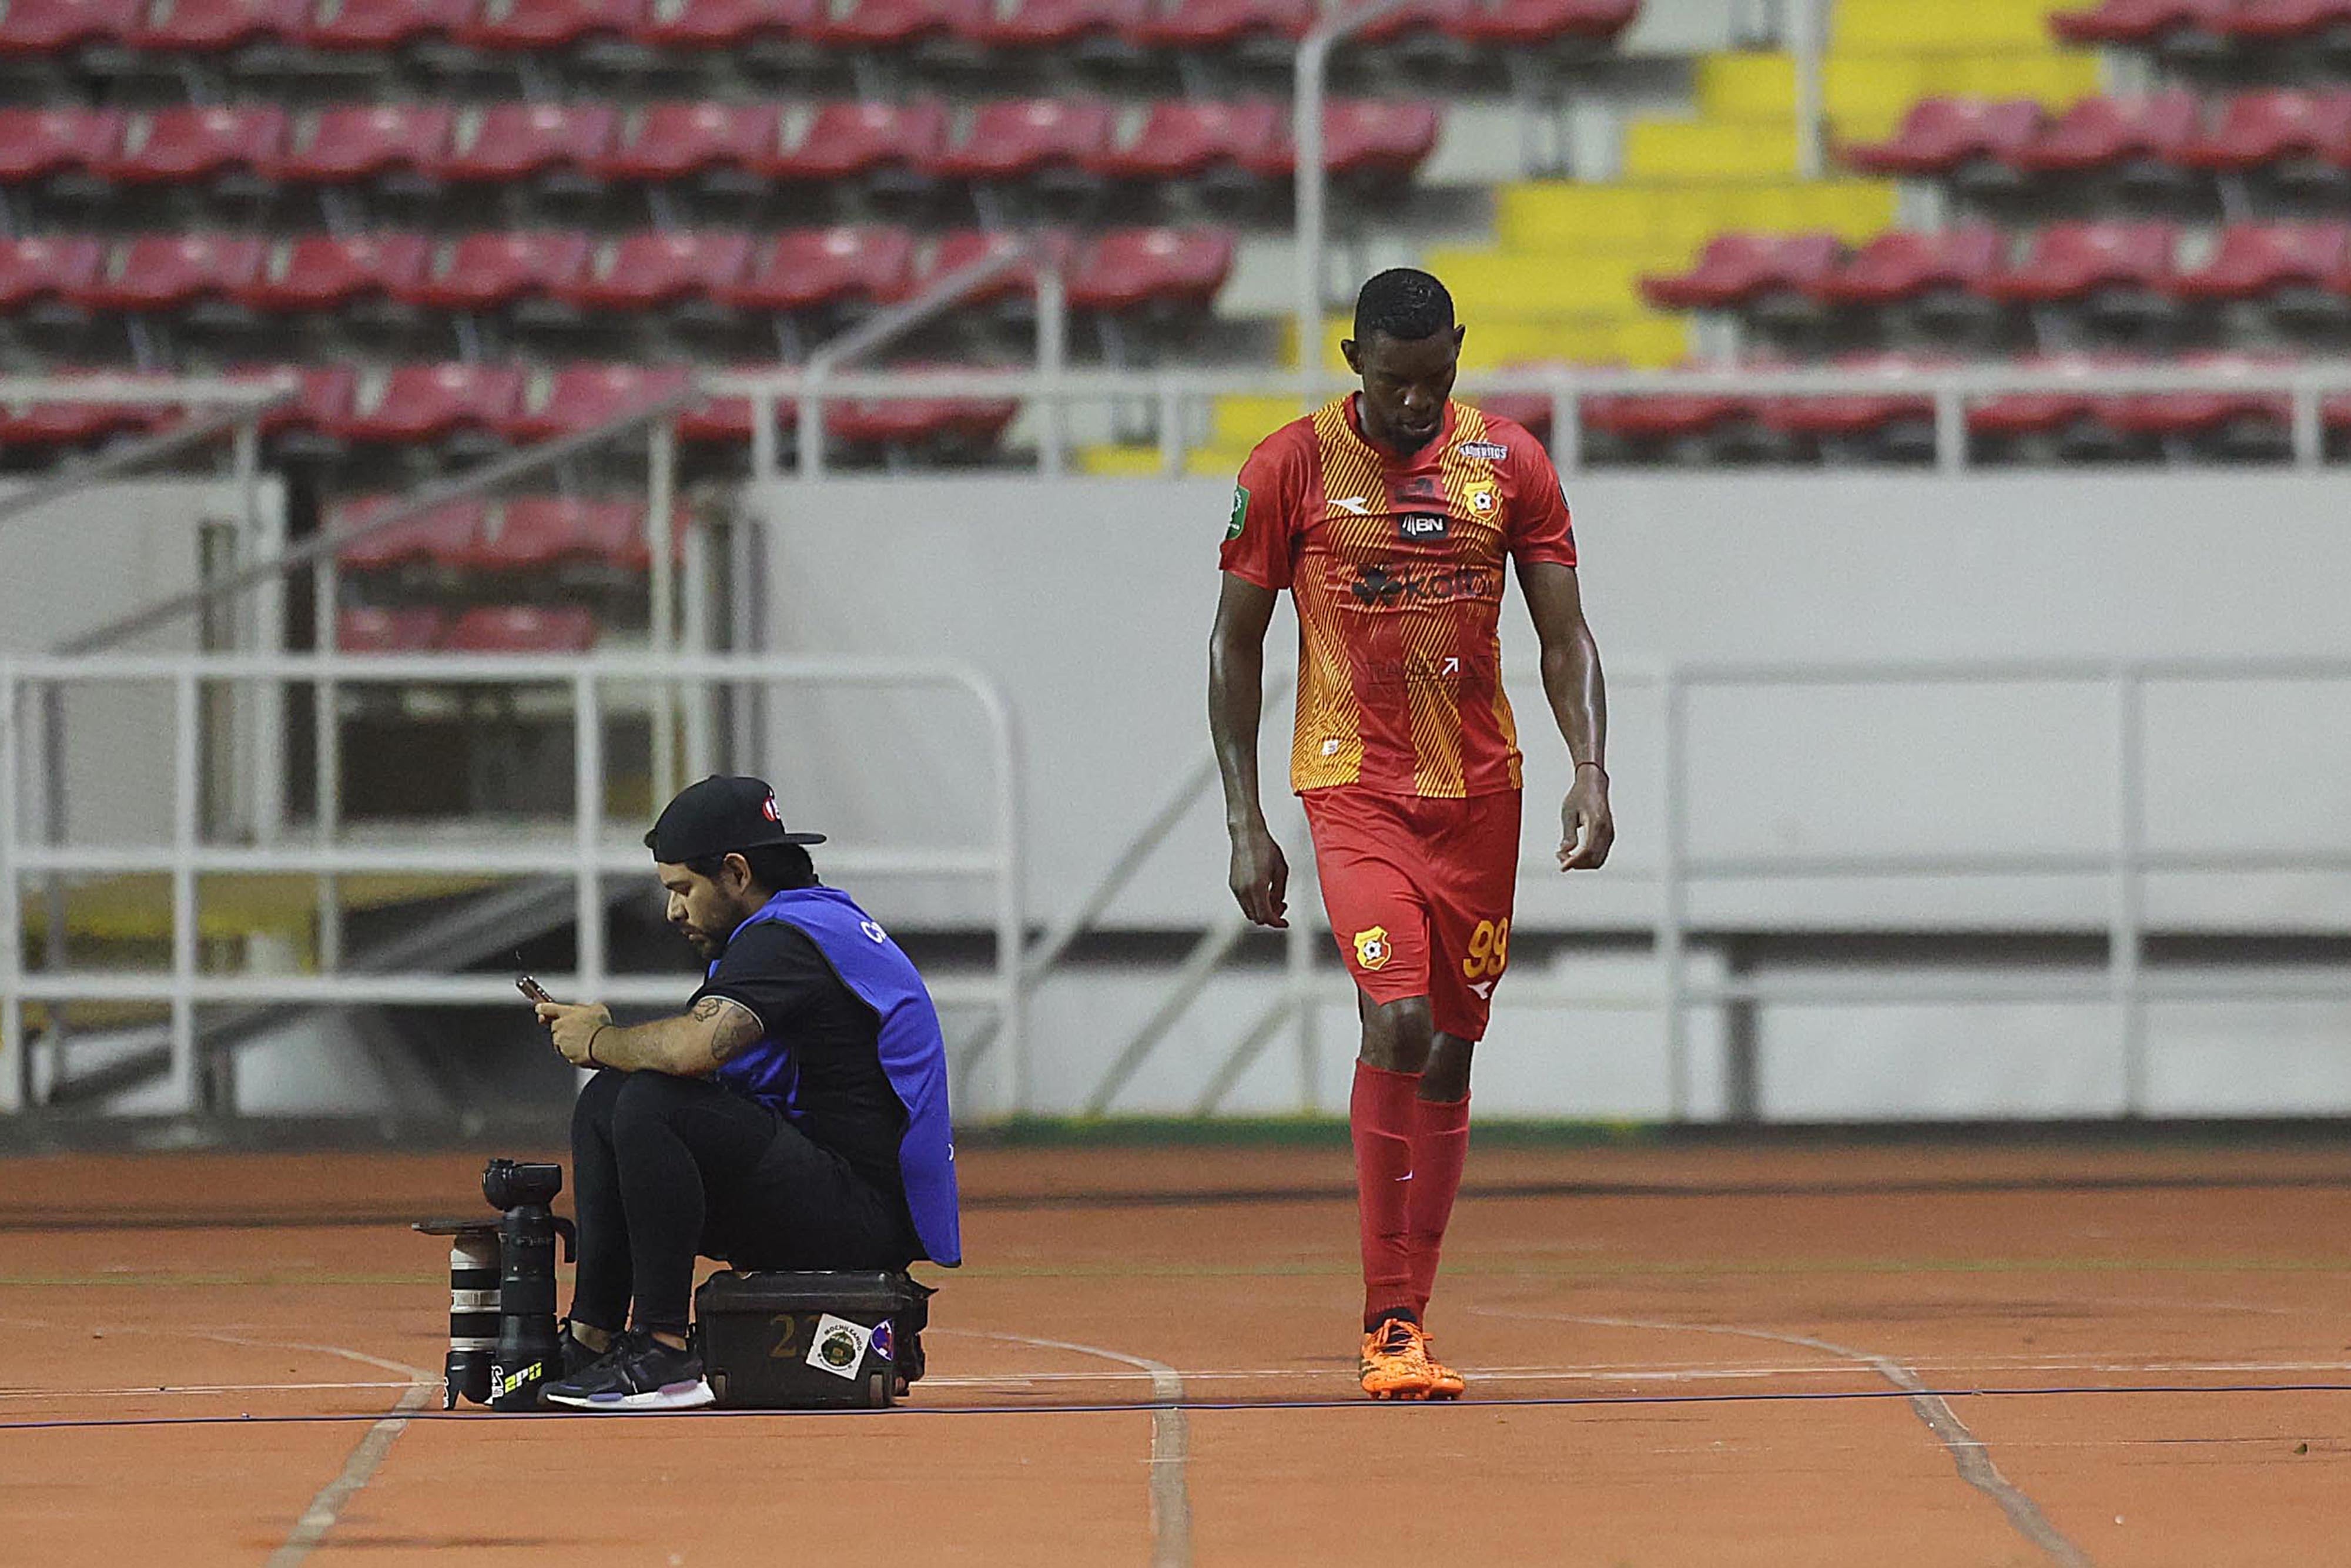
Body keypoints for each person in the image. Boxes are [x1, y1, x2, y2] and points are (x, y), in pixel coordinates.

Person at [1207, 268, 1613, 1401]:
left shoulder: (1510, 463)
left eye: (1436, 380)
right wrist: (1246, 817)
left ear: (1459, 357)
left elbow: (1567, 638)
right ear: (1352, 363)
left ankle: (1413, 1311)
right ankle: (1387, 1317)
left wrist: (1591, 768)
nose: (1414, 405)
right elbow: (1233, 644)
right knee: (1396, 1018)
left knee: (1451, 1045)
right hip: (1355, 790)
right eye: (1393, 383)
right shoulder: (1289, 466)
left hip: (1483, 798)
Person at [531, 774, 961, 1412]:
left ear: (734, 872)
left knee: (650, 1102)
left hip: (862, 1216)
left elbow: (689, 1051)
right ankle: (591, 1340)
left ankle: (663, 1351)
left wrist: (598, 1040)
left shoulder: (789, 940)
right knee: (609, 1102)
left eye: (682, 889)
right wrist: (612, 1057)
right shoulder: (792, 931)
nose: (673, 911)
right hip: (824, 1189)